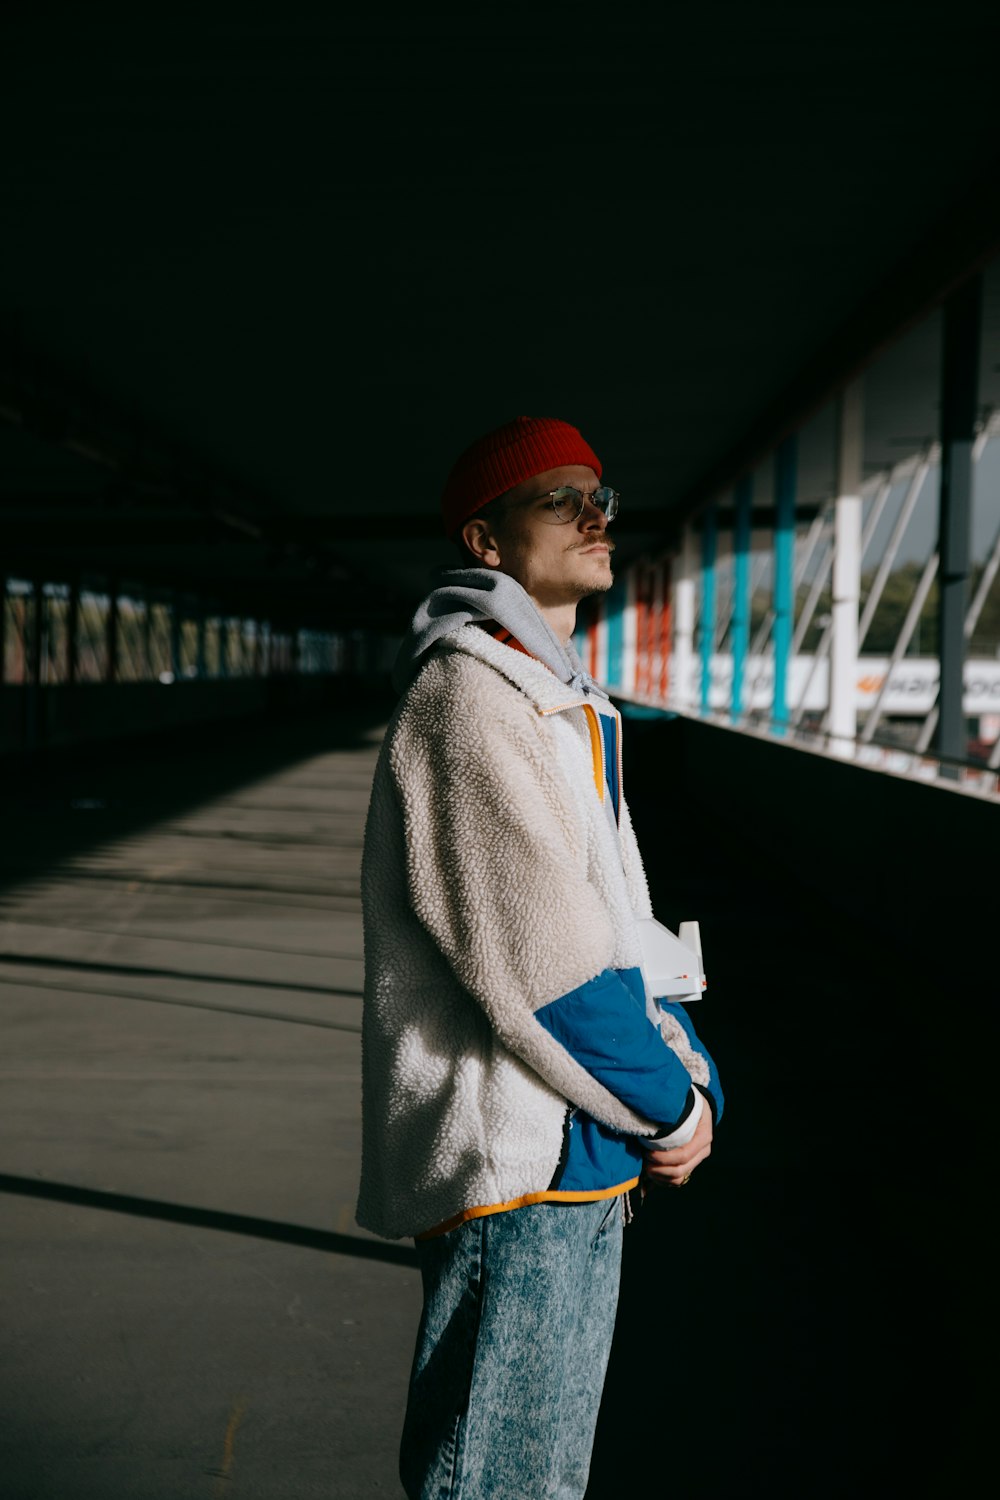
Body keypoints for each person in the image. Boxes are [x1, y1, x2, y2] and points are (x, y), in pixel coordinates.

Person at [356, 415, 723, 1500]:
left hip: (578, 1155)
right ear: (486, 539)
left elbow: (624, 933)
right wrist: (672, 1105)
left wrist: (687, 1071)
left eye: (601, 496)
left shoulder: (560, 700)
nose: (597, 515)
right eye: (561, 499)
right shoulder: (471, 702)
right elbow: (552, 977)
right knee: (501, 1483)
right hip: (520, 1168)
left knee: (538, 1481)